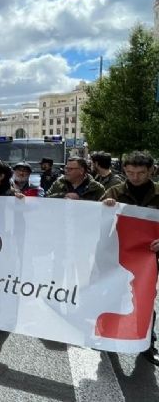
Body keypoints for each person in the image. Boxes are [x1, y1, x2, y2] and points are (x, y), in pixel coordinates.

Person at [101, 151, 159, 365]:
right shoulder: (114, 192)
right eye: (130, 172)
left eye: (141, 173)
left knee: (144, 297)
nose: (135, 177)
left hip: (149, 257)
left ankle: (146, 343)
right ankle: (107, 337)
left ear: (151, 171)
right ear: (124, 170)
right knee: (113, 294)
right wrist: (104, 208)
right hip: (117, 254)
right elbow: (95, 222)